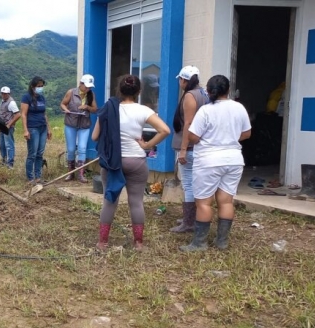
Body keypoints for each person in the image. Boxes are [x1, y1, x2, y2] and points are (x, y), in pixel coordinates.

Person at [92, 75, 170, 250]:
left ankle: (103, 242)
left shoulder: (108, 109)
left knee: (109, 201)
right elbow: (165, 130)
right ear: (139, 92)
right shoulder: (143, 110)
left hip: (113, 162)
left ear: (119, 90)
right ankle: (138, 243)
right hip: (136, 160)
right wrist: (147, 145)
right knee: (136, 202)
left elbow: (95, 136)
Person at [180, 75, 251, 252]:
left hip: (208, 161)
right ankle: (222, 242)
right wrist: (230, 138)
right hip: (234, 160)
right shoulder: (239, 107)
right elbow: (246, 133)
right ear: (228, 90)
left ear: (209, 91)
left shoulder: (206, 111)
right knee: (226, 201)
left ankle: (200, 243)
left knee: (204, 203)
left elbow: (193, 136)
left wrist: (207, 139)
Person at [170, 66, 209, 233]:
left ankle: (188, 222)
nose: (179, 82)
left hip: (190, 146)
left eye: (180, 79)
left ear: (184, 80)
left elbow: (188, 123)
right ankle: (191, 217)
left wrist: (184, 149)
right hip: (202, 145)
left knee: (188, 184)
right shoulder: (205, 93)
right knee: (195, 183)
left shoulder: (190, 96)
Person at [60, 74, 97, 183]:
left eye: (89, 87)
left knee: (82, 148)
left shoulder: (91, 95)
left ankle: (81, 174)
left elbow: (95, 109)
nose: (88, 89)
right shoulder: (71, 92)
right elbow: (62, 104)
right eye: (86, 86)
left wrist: (87, 107)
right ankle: (70, 173)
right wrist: (66, 109)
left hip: (84, 124)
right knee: (71, 149)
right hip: (71, 123)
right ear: (81, 84)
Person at [21, 76, 51, 184]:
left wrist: (48, 128)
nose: (41, 88)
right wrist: (25, 130)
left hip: (42, 127)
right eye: (39, 86)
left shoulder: (42, 98)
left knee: (40, 153)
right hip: (33, 128)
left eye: (42, 86)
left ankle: (38, 177)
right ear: (33, 86)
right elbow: (23, 114)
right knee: (32, 154)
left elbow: (44, 113)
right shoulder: (26, 98)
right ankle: (30, 178)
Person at [0, 86, 20, 168]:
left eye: (5, 94)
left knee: (9, 145)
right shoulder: (2, 101)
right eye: (2, 93)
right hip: (2, 126)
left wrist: (9, 124)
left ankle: (10, 163)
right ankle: (4, 160)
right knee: (1, 145)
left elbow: (17, 115)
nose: (4, 95)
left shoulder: (11, 103)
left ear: (9, 94)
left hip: (8, 127)